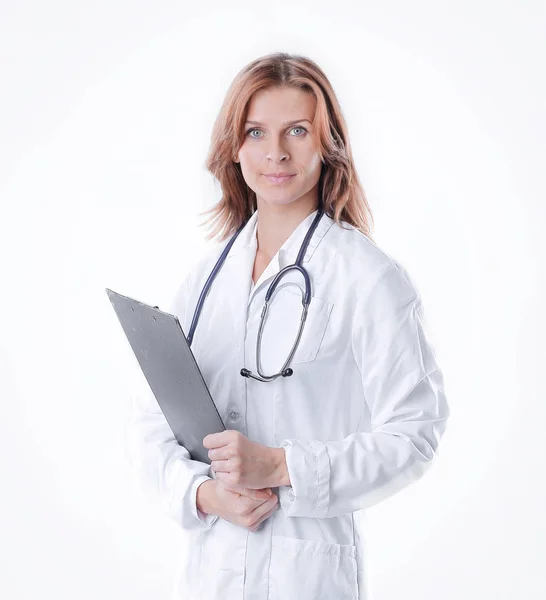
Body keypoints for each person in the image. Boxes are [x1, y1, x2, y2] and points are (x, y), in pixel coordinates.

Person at [124, 52, 450, 600]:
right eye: (256, 132)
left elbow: (414, 434)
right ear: (234, 147)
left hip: (308, 573)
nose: (275, 152)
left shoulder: (367, 279)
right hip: (211, 572)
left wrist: (281, 466)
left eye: (297, 131)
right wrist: (204, 495)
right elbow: (148, 421)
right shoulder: (206, 279)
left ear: (328, 144)